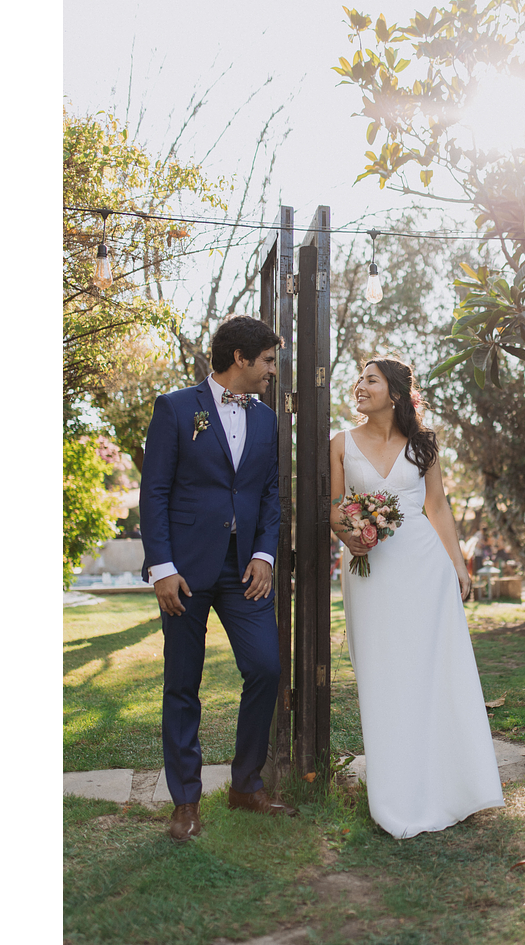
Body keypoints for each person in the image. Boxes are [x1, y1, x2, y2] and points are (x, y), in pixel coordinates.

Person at [329, 357, 504, 839]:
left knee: (431, 671)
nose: (360, 386)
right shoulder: (340, 443)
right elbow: (334, 505)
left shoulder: (423, 444)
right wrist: (350, 534)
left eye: (370, 379)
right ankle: (394, 792)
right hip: (369, 570)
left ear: (394, 392)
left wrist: (458, 564)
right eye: (359, 379)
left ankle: (452, 782)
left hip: (425, 569)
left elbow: (437, 505)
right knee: (380, 671)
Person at [140, 315, 296, 843]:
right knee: (183, 682)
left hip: (244, 570)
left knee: (266, 667)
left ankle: (245, 785)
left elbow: (270, 494)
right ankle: (185, 801)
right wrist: (162, 568)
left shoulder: (267, 420)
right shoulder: (175, 408)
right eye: (268, 361)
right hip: (183, 571)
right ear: (240, 358)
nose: (273, 370)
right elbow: (154, 491)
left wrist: (264, 554)